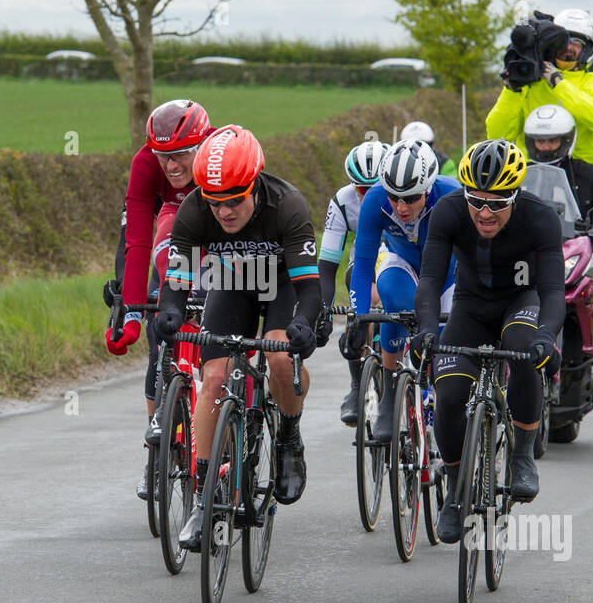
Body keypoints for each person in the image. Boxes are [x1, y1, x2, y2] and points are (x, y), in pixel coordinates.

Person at [153, 125, 322, 551]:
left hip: (281, 286)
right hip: (231, 285)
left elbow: (309, 291)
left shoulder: (287, 206)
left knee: (281, 359)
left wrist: (304, 324)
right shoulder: (195, 209)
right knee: (213, 378)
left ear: (254, 186)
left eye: (234, 201)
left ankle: (288, 434)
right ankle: (204, 498)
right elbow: (176, 283)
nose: (224, 212)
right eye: (215, 202)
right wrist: (170, 312)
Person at [413, 139, 566, 543]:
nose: (484, 212)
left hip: (521, 302)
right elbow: (429, 280)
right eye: (476, 200)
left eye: (498, 203)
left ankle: (521, 455)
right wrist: (427, 328)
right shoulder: (447, 212)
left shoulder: (540, 218)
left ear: (516, 196)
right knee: (447, 395)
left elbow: (553, 291)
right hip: (470, 307)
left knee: (523, 348)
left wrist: (547, 337)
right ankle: (453, 489)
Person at [105, 99, 214, 500]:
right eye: (163, 155)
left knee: (221, 330)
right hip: (173, 232)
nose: (171, 165)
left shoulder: (222, 157)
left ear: (203, 144)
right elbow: (134, 240)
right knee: (160, 332)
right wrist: (130, 311)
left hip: (220, 232)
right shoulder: (146, 163)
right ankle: (158, 452)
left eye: (181, 154)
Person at [344, 140, 460, 438]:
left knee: (445, 336)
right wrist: (358, 315)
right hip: (403, 264)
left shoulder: (451, 194)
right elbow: (364, 262)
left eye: (410, 198)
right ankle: (390, 392)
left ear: (428, 187)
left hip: (447, 274)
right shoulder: (374, 200)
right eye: (394, 197)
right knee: (395, 300)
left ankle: (444, 398)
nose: (400, 207)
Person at [523, 104, 593, 379]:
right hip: (531, 248)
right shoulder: (518, 173)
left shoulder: (589, 174)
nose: (546, 146)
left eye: (552, 140)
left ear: (566, 140)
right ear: (531, 141)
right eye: (540, 140)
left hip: (580, 246)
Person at [485, 8, 593, 172]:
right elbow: (497, 134)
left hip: (586, 180)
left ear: (587, 50)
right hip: (533, 176)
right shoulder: (532, 83)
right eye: (563, 41)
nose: (568, 47)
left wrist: (559, 84)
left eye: (576, 42)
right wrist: (511, 90)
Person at [320, 140, 390, 424]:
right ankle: (356, 384)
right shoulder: (343, 201)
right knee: (359, 305)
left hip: (401, 255)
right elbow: (327, 265)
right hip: (364, 258)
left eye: (375, 187)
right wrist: (322, 309)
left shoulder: (404, 194)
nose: (368, 195)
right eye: (361, 188)